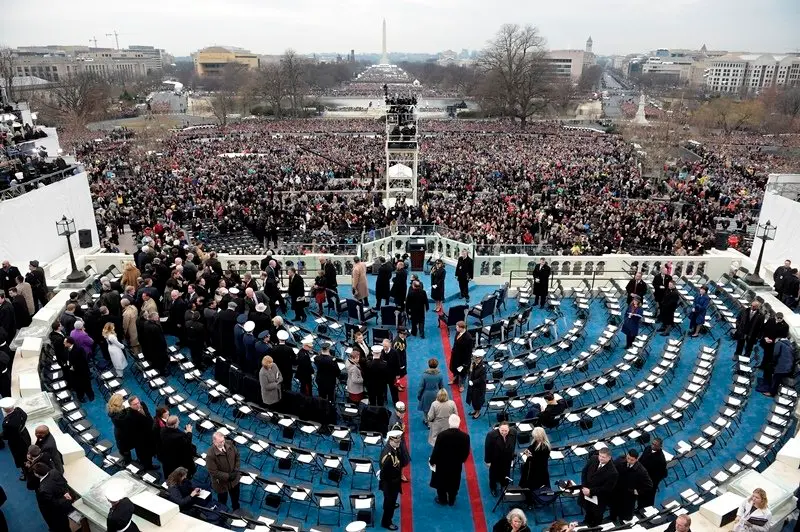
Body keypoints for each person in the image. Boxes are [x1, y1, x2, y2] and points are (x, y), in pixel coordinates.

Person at [429, 414, 470, 506]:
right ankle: (452, 500)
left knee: (441, 482)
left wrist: (432, 461)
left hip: (442, 464)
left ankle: (442, 500)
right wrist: (460, 460)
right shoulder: (465, 437)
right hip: (456, 465)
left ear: (449, 423)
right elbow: (466, 452)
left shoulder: (442, 435)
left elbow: (436, 451)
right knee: (454, 482)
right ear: (459, 423)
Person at [609, 449, 653, 522]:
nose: (629, 461)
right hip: (617, 492)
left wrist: (638, 491)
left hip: (629, 495)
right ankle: (613, 519)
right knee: (613, 509)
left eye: (632, 460)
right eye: (628, 458)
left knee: (625, 515)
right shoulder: (620, 460)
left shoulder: (641, 470)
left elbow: (649, 485)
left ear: (636, 459)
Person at [579, 447, 619, 526]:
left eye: (603, 457)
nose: (600, 458)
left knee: (597, 515)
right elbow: (584, 472)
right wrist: (584, 487)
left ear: (609, 457)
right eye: (600, 456)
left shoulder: (613, 472)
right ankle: (586, 522)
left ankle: (595, 527)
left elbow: (607, 489)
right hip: (586, 491)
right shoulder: (594, 458)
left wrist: (591, 491)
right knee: (587, 510)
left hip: (599, 497)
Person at [33, 462, 73, 532]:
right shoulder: (54, 472)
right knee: (65, 525)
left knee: (61, 527)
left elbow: (54, 504)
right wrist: (66, 493)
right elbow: (64, 483)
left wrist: (65, 498)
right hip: (65, 507)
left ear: (37, 474)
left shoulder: (43, 489)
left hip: (56, 513)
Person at [206, 432, 241, 511]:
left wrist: (236, 470)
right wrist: (228, 476)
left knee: (235, 499)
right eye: (220, 442)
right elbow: (213, 472)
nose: (222, 443)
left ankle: (236, 510)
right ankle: (222, 515)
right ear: (214, 441)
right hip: (221, 483)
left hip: (234, 480)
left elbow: (237, 456)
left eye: (223, 441)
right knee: (222, 502)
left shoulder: (230, 444)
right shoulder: (210, 454)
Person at [1, 397, 32, 479]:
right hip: (24, 434)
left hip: (17, 442)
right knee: (27, 453)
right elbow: (25, 416)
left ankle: (26, 474)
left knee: (21, 458)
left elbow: (6, 436)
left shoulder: (7, 423)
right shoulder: (19, 410)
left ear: (5, 410)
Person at [379, 430, 403, 530]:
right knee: (390, 504)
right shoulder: (388, 456)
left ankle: (387, 505)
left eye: (399, 441)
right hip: (390, 484)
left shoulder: (393, 449)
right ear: (390, 440)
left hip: (392, 482)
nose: (398, 443)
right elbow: (384, 473)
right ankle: (386, 522)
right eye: (396, 441)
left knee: (389, 502)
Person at [485, 422, 517, 496]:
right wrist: (487, 461)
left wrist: (511, 455)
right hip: (495, 458)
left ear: (509, 429)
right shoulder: (491, 435)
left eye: (506, 431)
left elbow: (514, 444)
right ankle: (493, 487)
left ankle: (504, 484)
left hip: (507, 458)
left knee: (506, 472)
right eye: (502, 430)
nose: (504, 432)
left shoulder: (514, 432)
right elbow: (487, 448)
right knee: (493, 474)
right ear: (498, 428)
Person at [159, 415, 196, 480]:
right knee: (177, 476)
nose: (179, 423)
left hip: (166, 456)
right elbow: (187, 445)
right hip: (176, 459)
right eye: (178, 422)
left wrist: (184, 434)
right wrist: (189, 433)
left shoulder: (163, 430)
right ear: (174, 425)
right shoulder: (179, 437)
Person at [520, 427, 551, 500]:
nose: (535, 438)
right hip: (530, 466)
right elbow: (531, 448)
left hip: (538, 470)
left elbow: (540, 461)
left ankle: (531, 498)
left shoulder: (545, 447)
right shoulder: (535, 441)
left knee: (533, 484)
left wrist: (530, 457)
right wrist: (527, 451)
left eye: (537, 437)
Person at [127, 396, 156, 470]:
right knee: (145, 456)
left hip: (150, 435)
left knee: (150, 454)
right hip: (141, 440)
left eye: (138, 402)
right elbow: (135, 431)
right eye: (135, 404)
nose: (138, 405)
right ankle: (148, 468)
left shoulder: (142, 404)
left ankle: (149, 465)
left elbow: (148, 415)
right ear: (130, 405)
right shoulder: (130, 416)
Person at [637, 438, 667, 509]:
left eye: (655, 445)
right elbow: (641, 460)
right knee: (639, 496)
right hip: (641, 478)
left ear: (660, 446)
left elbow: (660, 475)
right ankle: (639, 508)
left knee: (647, 499)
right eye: (652, 444)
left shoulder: (661, 460)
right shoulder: (648, 448)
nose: (653, 446)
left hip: (650, 482)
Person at [107, 393, 132, 463]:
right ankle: (128, 464)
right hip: (123, 436)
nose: (123, 401)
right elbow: (128, 418)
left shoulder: (112, 410)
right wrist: (128, 409)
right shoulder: (119, 416)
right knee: (126, 452)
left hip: (119, 433)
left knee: (124, 450)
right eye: (122, 400)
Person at [418, 358, 443, 425]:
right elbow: (441, 387)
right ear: (437, 365)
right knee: (435, 408)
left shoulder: (424, 375)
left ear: (429, 365)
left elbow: (421, 387)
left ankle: (427, 421)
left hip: (426, 394)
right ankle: (433, 421)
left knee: (426, 409)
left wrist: (419, 395)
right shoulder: (440, 375)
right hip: (436, 394)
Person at [449, 321, 472, 392]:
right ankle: (455, 380)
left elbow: (469, 352)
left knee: (462, 373)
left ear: (461, 328)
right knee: (454, 369)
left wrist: (465, 363)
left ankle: (461, 385)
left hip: (463, 359)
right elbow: (455, 343)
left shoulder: (468, 338)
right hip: (456, 356)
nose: (456, 328)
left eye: (457, 327)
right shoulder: (457, 333)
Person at [466, 351, 487, 418]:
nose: (475, 359)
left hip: (479, 387)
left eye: (477, 358)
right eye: (475, 358)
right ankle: (475, 410)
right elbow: (470, 372)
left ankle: (478, 412)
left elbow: (482, 379)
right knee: (472, 398)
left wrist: (473, 382)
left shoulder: (483, 367)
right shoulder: (473, 364)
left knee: (477, 400)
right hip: (472, 385)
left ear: (480, 358)